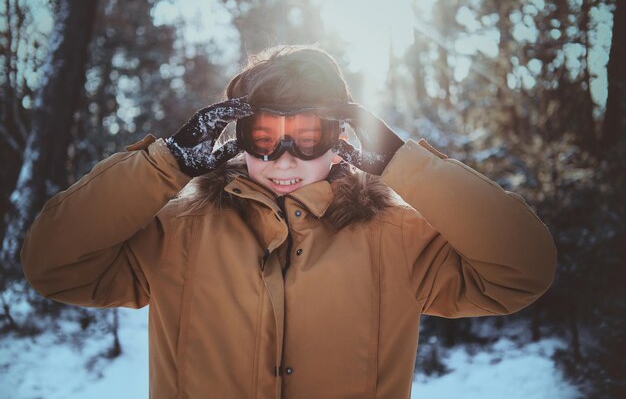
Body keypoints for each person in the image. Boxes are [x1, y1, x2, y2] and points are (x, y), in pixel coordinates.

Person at [20, 44, 557, 399]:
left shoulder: (397, 239)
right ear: (233, 138)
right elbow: (52, 264)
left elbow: (522, 268)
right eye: (261, 137)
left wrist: (403, 163)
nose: (283, 159)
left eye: (306, 137)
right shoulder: (177, 232)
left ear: (342, 138)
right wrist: (167, 161)